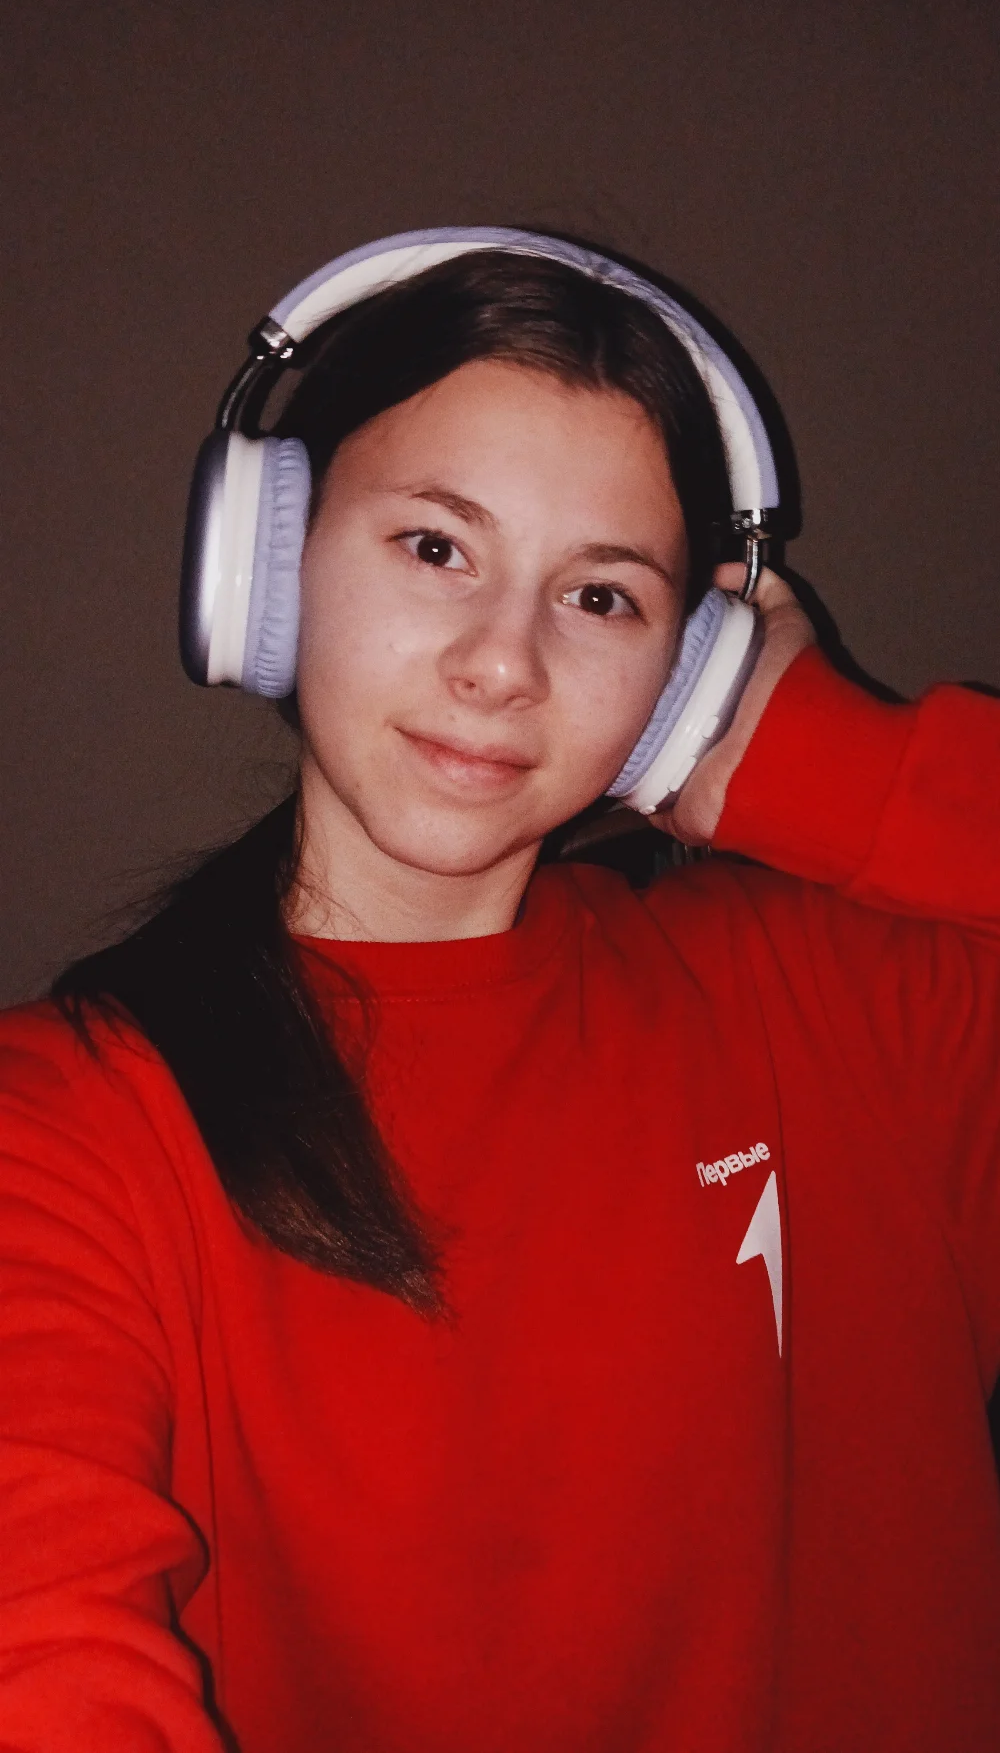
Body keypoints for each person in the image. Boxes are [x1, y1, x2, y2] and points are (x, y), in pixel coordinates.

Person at [0, 238, 997, 1753]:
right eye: (435, 547)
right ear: (268, 561)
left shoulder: (827, 1000)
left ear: (687, 675)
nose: (501, 664)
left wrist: (815, 758)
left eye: (601, 594)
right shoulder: (65, 1130)